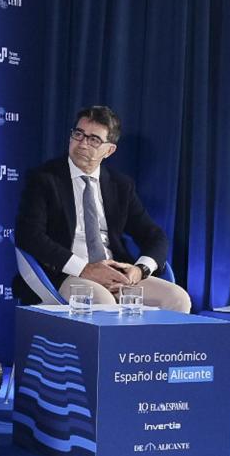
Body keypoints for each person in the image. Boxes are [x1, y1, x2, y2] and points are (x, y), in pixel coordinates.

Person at [13, 104, 192, 311]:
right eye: (78, 134)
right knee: (103, 302)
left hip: (116, 274)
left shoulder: (120, 185)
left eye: (94, 140)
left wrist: (139, 270)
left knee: (177, 299)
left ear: (109, 150)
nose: (82, 144)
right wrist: (85, 269)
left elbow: (155, 236)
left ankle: (151, 346)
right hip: (65, 274)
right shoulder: (44, 179)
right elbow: (29, 235)